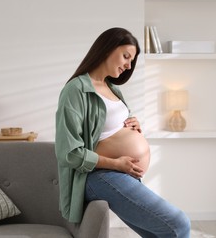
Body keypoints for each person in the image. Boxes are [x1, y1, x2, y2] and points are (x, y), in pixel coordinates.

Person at [55, 27, 191, 237]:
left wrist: (133, 127)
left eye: (131, 60)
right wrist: (116, 163)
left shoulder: (112, 88)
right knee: (178, 224)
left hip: (122, 175)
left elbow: (108, 128)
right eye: (126, 56)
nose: (128, 65)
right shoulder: (76, 90)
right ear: (107, 49)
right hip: (100, 176)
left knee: (160, 234)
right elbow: (69, 152)